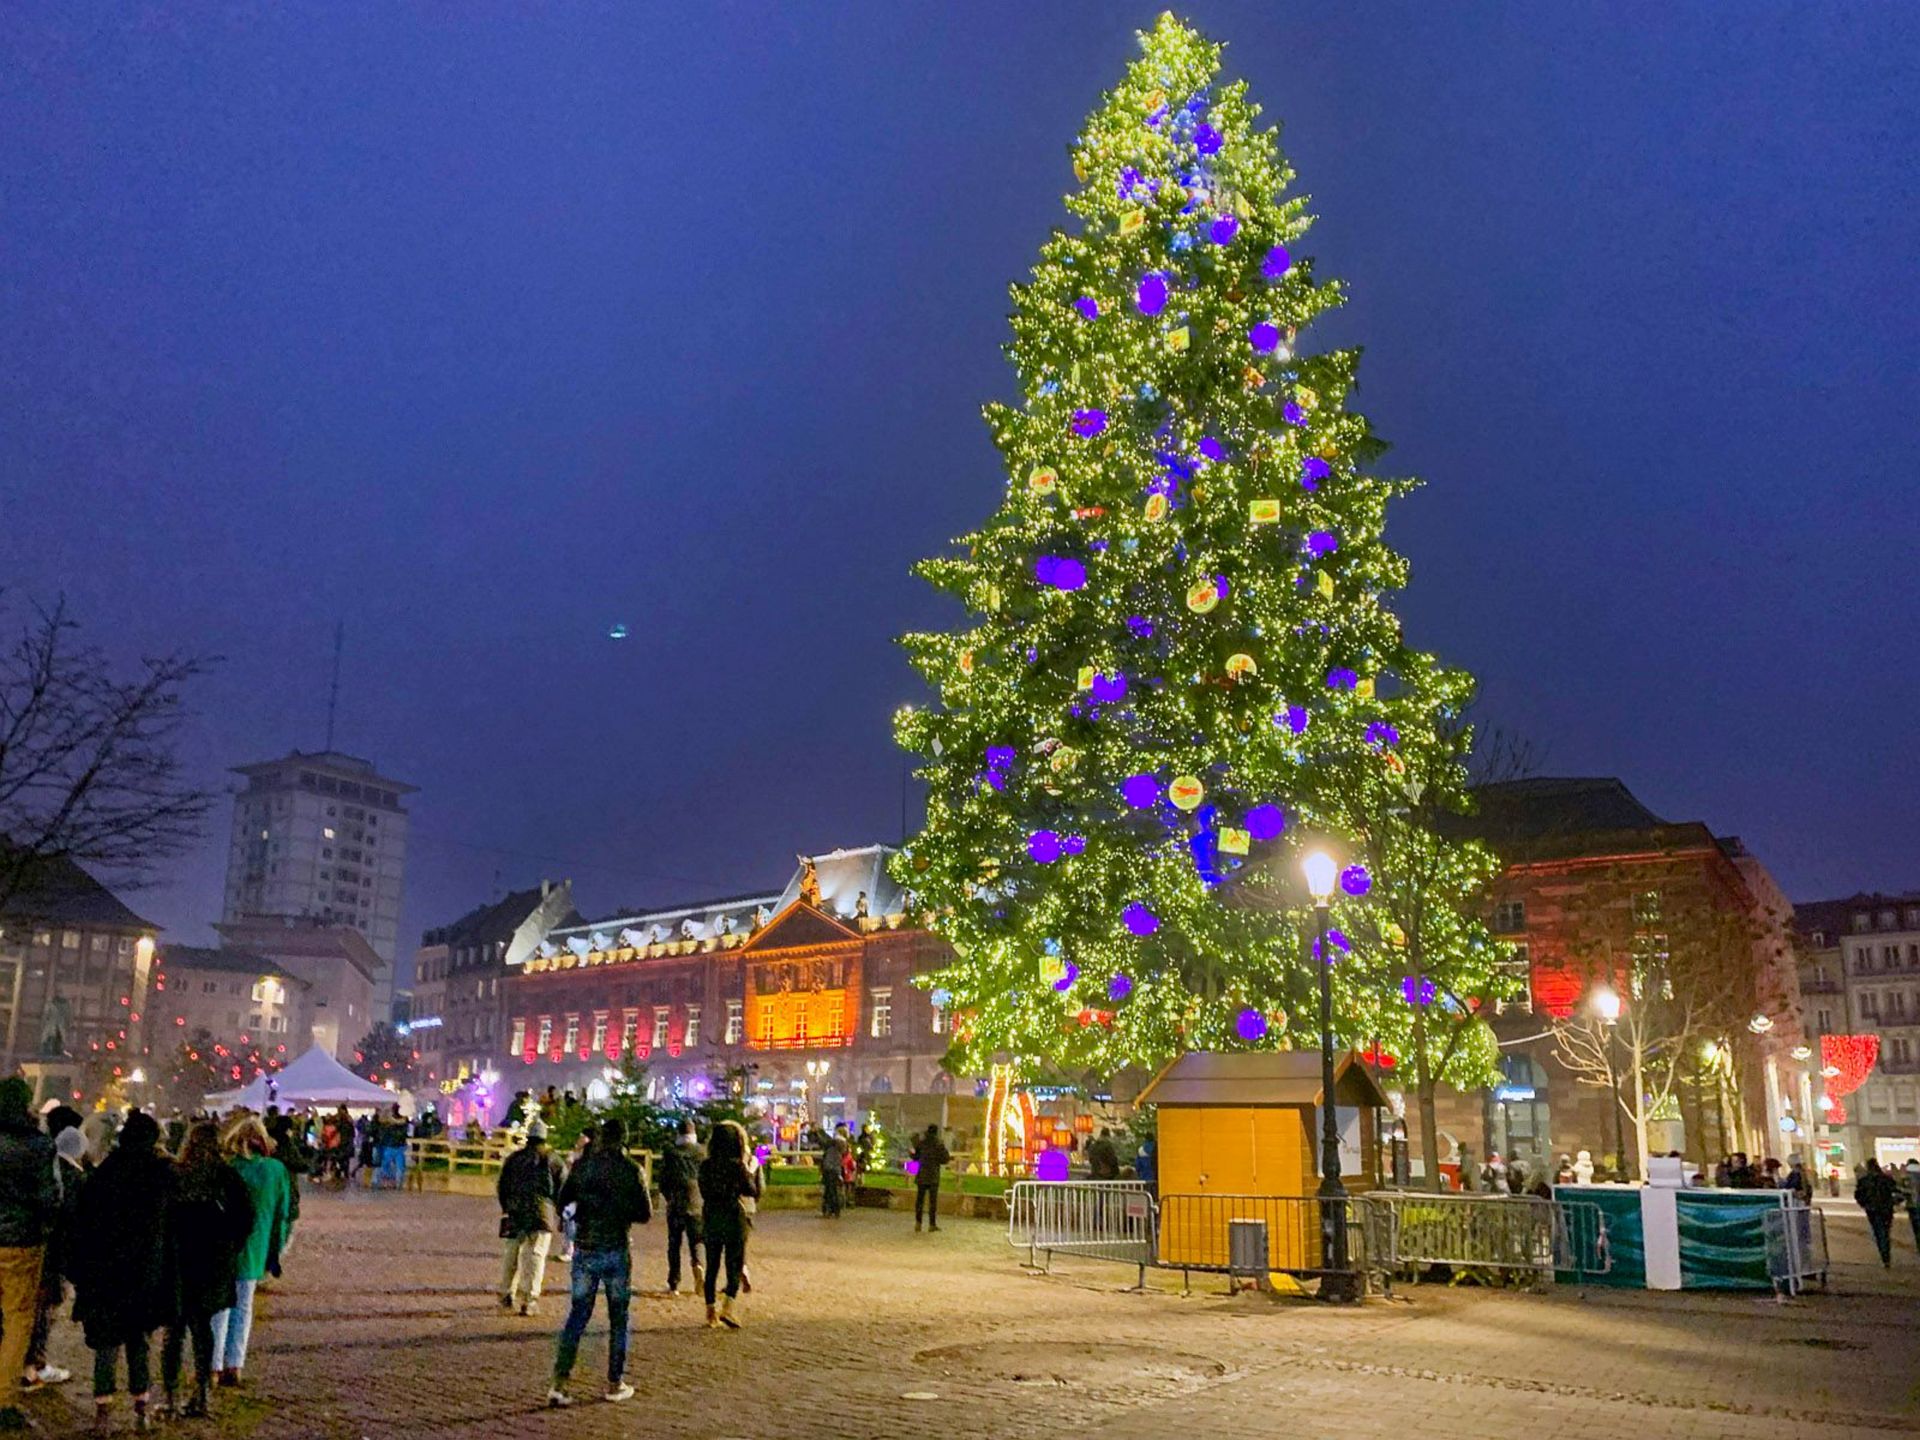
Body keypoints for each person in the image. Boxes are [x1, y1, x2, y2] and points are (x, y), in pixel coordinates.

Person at [70, 1110, 171, 1432]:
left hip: (104, 1274)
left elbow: (81, 1227)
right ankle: (141, 1410)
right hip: (144, 1274)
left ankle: (103, 1414)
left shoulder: (101, 1176)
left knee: (106, 1345)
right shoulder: (159, 1177)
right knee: (138, 1343)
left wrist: (81, 1273)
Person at [546, 1118, 649, 1408]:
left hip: (586, 1247)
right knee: (618, 1317)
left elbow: (563, 1199)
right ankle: (614, 1382)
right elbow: (644, 1213)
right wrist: (619, 1211)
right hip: (615, 1247)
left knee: (578, 1315)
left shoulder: (583, 1167)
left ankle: (560, 1382)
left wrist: (582, 1210)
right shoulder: (630, 1170)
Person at [162, 1122, 252, 1419]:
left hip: (178, 1261)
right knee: (203, 1330)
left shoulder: (177, 1174)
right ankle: (201, 1393)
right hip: (212, 1261)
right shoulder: (225, 1175)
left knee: (174, 1332)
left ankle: (171, 1396)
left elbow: (164, 1217)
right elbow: (245, 1217)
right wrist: (229, 1247)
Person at [210, 1115, 290, 1386]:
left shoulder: (226, 1167)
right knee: (244, 1307)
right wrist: (275, 1251)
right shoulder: (275, 1170)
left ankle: (213, 1365)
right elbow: (283, 1215)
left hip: (222, 1247)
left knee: (220, 1307)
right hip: (256, 1249)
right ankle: (235, 1364)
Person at [0, 1078, 57, 1428]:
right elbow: (50, 1197)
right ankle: (3, 1398)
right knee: (18, 1320)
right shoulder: (38, 1146)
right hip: (22, 1243)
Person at [25, 1120, 88, 1392]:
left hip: (31, 1248)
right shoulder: (73, 1178)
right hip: (53, 1256)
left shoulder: (41, 1168)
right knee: (43, 1312)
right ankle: (33, 1366)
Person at [497, 1118, 565, 1316]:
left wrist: (506, 1207)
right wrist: (560, 1212)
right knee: (535, 1255)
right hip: (541, 1213)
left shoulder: (514, 1158)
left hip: (516, 1210)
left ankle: (506, 1292)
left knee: (511, 1253)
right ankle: (529, 1298)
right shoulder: (553, 1159)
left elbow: (502, 1186)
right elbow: (562, 1188)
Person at [698, 1121, 761, 1330]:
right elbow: (751, 1190)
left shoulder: (706, 1166)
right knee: (734, 1264)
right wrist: (749, 1171)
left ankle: (710, 1312)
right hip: (734, 1216)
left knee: (712, 1266)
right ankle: (728, 1307)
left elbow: (703, 1190)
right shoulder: (737, 1166)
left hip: (711, 1216)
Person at [655, 1119, 705, 1297]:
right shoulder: (701, 1152)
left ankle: (674, 1283)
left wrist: (668, 1197)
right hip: (697, 1201)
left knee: (674, 1244)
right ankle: (698, 1264)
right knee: (697, 1240)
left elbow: (663, 1179)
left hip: (677, 1202)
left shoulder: (671, 1153)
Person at [1856, 1158, 1899, 1267]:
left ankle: (1884, 1255)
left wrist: (1864, 1204)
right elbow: (1896, 1191)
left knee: (1878, 1231)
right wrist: (1893, 1202)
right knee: (1885, 1231)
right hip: (1886, 1209)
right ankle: (1886, 1254)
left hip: (1872, 1210)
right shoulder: (1886, 1179)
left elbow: (1858, 1195)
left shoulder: (1864, 1180)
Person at [910, 1123, 951, 1233]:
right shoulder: (938, 1144)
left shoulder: (921, 1143)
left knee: (920, 1201)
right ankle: (932, 1225)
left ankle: (918, 1223)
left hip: (922, 1175)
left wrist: (911, 1153)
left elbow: (915, 1158)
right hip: (933, 1176)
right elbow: (945, 1159)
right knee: (933, 1202)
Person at [817, 1129, 846, 1219]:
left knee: (829, 1191)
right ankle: (834, 1210)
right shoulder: (838, 1147)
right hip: (834, 1170)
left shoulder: (833, 1145)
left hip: (830, 1169)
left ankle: (829, 1210)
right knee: (832, 1191)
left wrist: (818, 1133)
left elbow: (824, 1142)